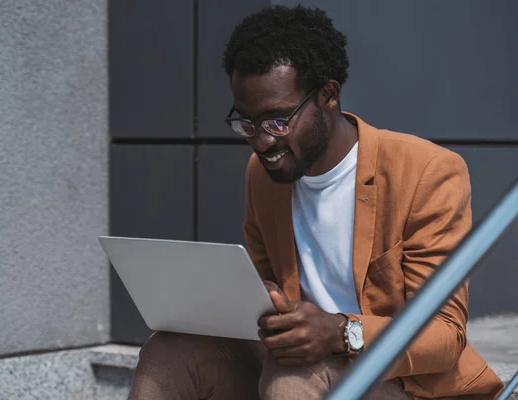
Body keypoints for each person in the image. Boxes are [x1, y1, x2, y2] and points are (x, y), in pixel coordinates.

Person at [128, 5, 504, 399]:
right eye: (247, 123)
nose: (262, 141)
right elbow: (262, 286)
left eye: (277, 121)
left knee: (292, 377)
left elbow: (445, 334)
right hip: (294, 363)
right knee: (167, 351)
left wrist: (340, 331)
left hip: (401, 383)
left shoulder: (427, 171)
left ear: (328, 95)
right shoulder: (262, 174)